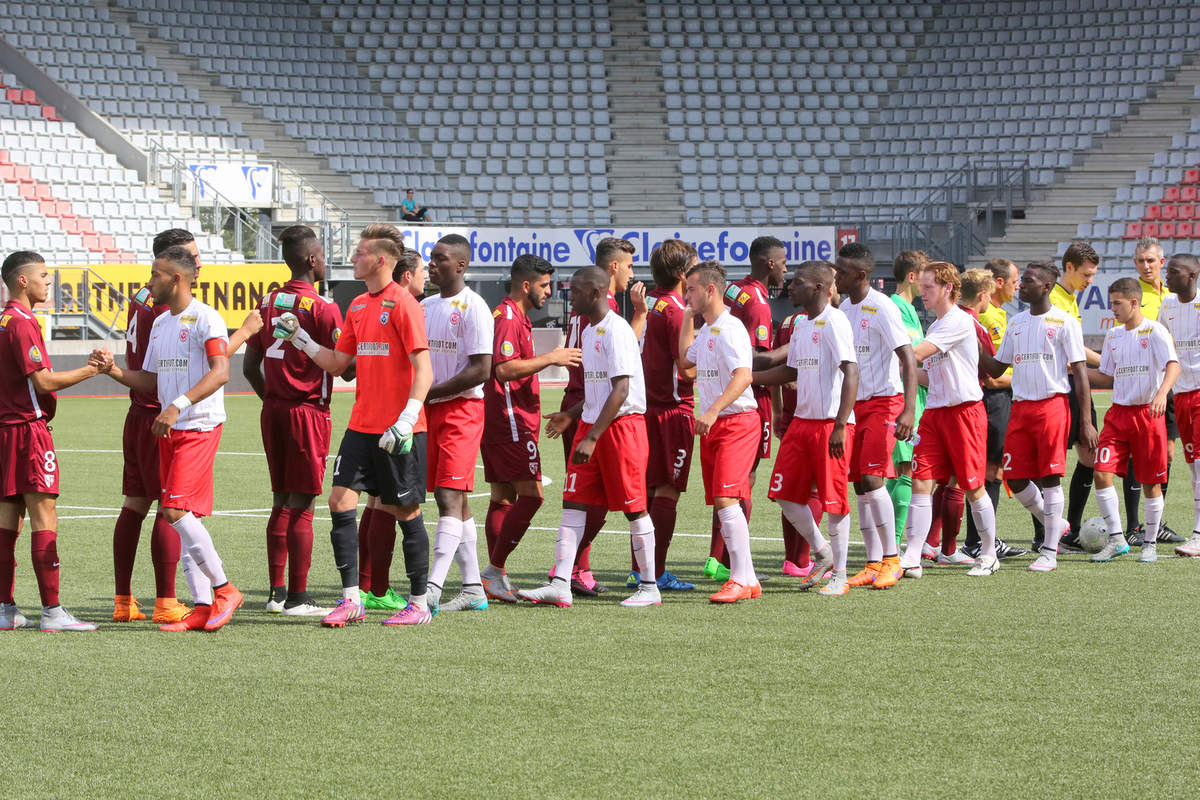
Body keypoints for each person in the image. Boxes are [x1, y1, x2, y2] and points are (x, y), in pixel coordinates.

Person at [274, 224, 433, 627]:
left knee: (405, 511)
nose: (353, 257)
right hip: (362, 426)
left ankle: (419, 604)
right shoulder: (359, 305)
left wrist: (407, 418)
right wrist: (300, 340)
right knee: (339, 501)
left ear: (380, 260)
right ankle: (351, 599)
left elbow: (424, 369)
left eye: (361, 252)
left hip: (401, 430)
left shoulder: (404, 304)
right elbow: (337, 364)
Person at [98, 246, 262, 631]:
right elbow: (151, 380)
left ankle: (224, 590)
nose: (149, 281)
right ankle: (203, 604)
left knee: (173, 510)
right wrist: (115, 372)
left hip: (198, 426)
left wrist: (177, 405)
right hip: (170, 429)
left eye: (156, 274)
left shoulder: (207, 318)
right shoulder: (160, 324)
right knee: (182, 515)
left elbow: (221, 372)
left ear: (176, 279)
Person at [520, 266, 660, 608]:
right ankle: (560, 583)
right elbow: (600, 389)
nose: (572, 298)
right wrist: (572, 414)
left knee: (634, 508)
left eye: (578, 292)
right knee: (573, 504)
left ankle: (649, 587)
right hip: (591, 425)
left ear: (596, 294)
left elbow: (621, 389)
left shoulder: (617, 331)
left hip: (621, 429)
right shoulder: (590, 331)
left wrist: (593, 437)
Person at [242, 225, 342, 616]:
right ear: (313, 260)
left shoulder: (267, 302)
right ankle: (299, 597)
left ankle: (276, 593)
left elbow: (250, 367)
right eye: (322, 255)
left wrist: (272, 396)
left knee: (281, 499)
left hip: (274, 410)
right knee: (302, 504)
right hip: (306, 412)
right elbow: (343, 366)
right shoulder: (323, 307)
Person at [0, 251, 103, 632]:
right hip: (28, 431)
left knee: (7, 522)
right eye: (44, 275)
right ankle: (52, 611)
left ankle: (5, 609)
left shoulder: (2, 319)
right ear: (23, 281)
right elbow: (42, 382)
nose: (50, 281)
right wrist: (91, 370)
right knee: (45, 517)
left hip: (4, 432)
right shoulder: (23, 322)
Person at [979, 261, 1096, 572]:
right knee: (1014, 478)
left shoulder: (1064, 322)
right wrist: (974, 342)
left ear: (1045, 287)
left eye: (1028, 281)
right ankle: (1055, 521)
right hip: (1020, 409)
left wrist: (1085, 421)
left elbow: (1080, 374)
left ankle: (1049, 551)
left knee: (1049, 478)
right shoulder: (1016, 323)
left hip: (1052, 407)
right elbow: (996, 368)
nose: (1022, 286)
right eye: (1022, 281)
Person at [109, 228, 201, 625]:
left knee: (134, 505)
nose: (198, 264)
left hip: (137, 413)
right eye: (192, 256)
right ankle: (166, 600)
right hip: (160, 414)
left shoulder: (141, 297)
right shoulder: (166, 307)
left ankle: (123, 600)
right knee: (169, 506)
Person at [754, 261, 859, 595]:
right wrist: (749, 378)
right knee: (783, 495)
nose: (790, 286)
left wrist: (841, 424)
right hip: (802, 422)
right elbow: (791, 371)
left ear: (818, 287)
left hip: (831, 423)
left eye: (798, 282)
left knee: (835, 501)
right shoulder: (801, 325)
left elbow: (851, 371)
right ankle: (823, 552)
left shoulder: (835, 321)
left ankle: (840, 575)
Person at [480, 255, 581, 602]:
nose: (549, 292)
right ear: (526, 285)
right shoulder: (507, 317)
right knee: (533, 496)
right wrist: (552, 358)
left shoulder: (513, 316)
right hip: (511, 421)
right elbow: (504, 369)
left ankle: (496, 577)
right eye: (544, 285)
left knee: (502, 497)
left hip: (506, 419)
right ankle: (492, 571)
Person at [898, 262, 1002, 578]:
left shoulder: (957, 322)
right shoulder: (938, 325)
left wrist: (892, 355)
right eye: (922, 286)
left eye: (929, 287)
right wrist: (904, 370)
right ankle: (913, 556)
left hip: (964, 412)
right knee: (921, 481)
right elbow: (929, 374)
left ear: (948, 289)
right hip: (936, 413)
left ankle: (988, 554)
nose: (922, 292)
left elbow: (915, 356)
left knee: (973, 486)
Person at [831, 243, 917, 590]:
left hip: (884, 401)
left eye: (842, 270)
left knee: (872, 478)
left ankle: (892, 560)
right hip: (855, 405)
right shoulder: (843, 309)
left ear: (862, 275)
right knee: (859, 484)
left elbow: (908, 358)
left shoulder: (881, 307)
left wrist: (908, 409)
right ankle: (872, 561)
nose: (836, 275)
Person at [704, 235, 787, 582]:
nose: (786, 268)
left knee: (727, 484)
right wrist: (792, 349)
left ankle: (716, 557)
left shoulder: (735, 290)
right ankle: (733, 563)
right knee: (742, 482)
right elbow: (755, 359)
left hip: (721, 393)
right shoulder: (760, 305)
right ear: (769, 263)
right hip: (751, 399)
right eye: (782, 262)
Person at [678, 260, 761, 602]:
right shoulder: (710, 328)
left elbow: (745, 376)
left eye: (692, 289)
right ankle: (749, 579)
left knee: (727, 499)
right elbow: (686, 365)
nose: (687, 295)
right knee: (725, 501)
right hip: (718, 424)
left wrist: (711, 410)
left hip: (736, 422)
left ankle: (740, 579)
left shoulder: (730, 328)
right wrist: (687, 316)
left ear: (711, 290)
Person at [562, 236, 641, 596]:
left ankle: (573, 572)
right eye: (627, 266)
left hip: (593, 409)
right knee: (592, 500)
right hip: (596, 411)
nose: (631, 273)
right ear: (611, 270)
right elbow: (619, 376)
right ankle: (573, 572)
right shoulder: (602, 311)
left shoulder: (601, 321)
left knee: (599, 500)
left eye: (574, 291)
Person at [421, 234, 493, 614]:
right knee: (452, 499)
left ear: (461, 265)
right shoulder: (425, 305)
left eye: (440, 258)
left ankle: (431, 589)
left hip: (461, 410)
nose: (432, 264)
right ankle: (472, 589)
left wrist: (433, 392)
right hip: (430, 410)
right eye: (431, 258)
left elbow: (481, 370)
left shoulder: (474, 307)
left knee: (449, 496)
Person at [1085, 277, 1179, 563]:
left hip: (1147, 414)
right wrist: (1076, 371)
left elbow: (1172, 365)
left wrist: (1162, 393)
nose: (1112, 309)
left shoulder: (1155, 331)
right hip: (1118, 415)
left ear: (1134, 302)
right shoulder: (1113, 335)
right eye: (1111, 303)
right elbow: (1106, 376)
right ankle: (1116, 540)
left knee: (1150, 482)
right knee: (1101, 472)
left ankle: (1149, 542)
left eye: (1117, 303)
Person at [357, 248, 427, 610]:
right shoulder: (403, 307)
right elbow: (422, 369)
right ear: (404, 276)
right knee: (392, 506)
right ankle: (379, 589)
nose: (425, 277)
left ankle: (367, 585)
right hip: (400, 421)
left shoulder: (385, 306)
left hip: (378, 420)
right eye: (421, 271)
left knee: (375, 502)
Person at [627, 239, 698, 592]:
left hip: (645, 410)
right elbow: (685, 369)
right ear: (683, 273)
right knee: (667, 492)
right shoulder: (677, 310)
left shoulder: (648, 303)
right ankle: (654, 572)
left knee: (649, 492)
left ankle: (638, 569)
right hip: (673, 411)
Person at [1127, 236, 1183, 545]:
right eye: (1140, 261)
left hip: (1170, 382)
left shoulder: (1175, 294)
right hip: (1144, 384)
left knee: (1167, 453)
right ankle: (1135, 525)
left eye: (1151, 260)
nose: (1146, 265)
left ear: (1162, 262)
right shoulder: (1135, 294)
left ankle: (1155, 522)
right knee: (1141, 453)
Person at [1053, 241, 1103, 550]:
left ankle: (1069, 529)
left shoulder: (1070, 299)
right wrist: (1108, 361)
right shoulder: (1055, 301)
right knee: (1051, 464)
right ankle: (1048, 532)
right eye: (1086, 274)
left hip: (1076, 388)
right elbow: (1073, 356)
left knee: (1089, 455)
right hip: (1060, 389)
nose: (1090, 282)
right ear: (1069, 267)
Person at [887, 251, 928, 550]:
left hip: (916, 400)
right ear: (912, 277)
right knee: (907, 471)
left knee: (898, 472)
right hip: (901, 402)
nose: (928, 285)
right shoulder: (894, 307)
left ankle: (887, 537)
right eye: (925, 278)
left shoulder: (912, 310)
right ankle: (896, 544)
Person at [1162, 254, 1200, 557]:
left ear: (1192, 275)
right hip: (1182, 395)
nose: (1166, 276)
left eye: (1173, 272)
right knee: (1193, 467)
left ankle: (1199, 533)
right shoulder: (1168, 306)